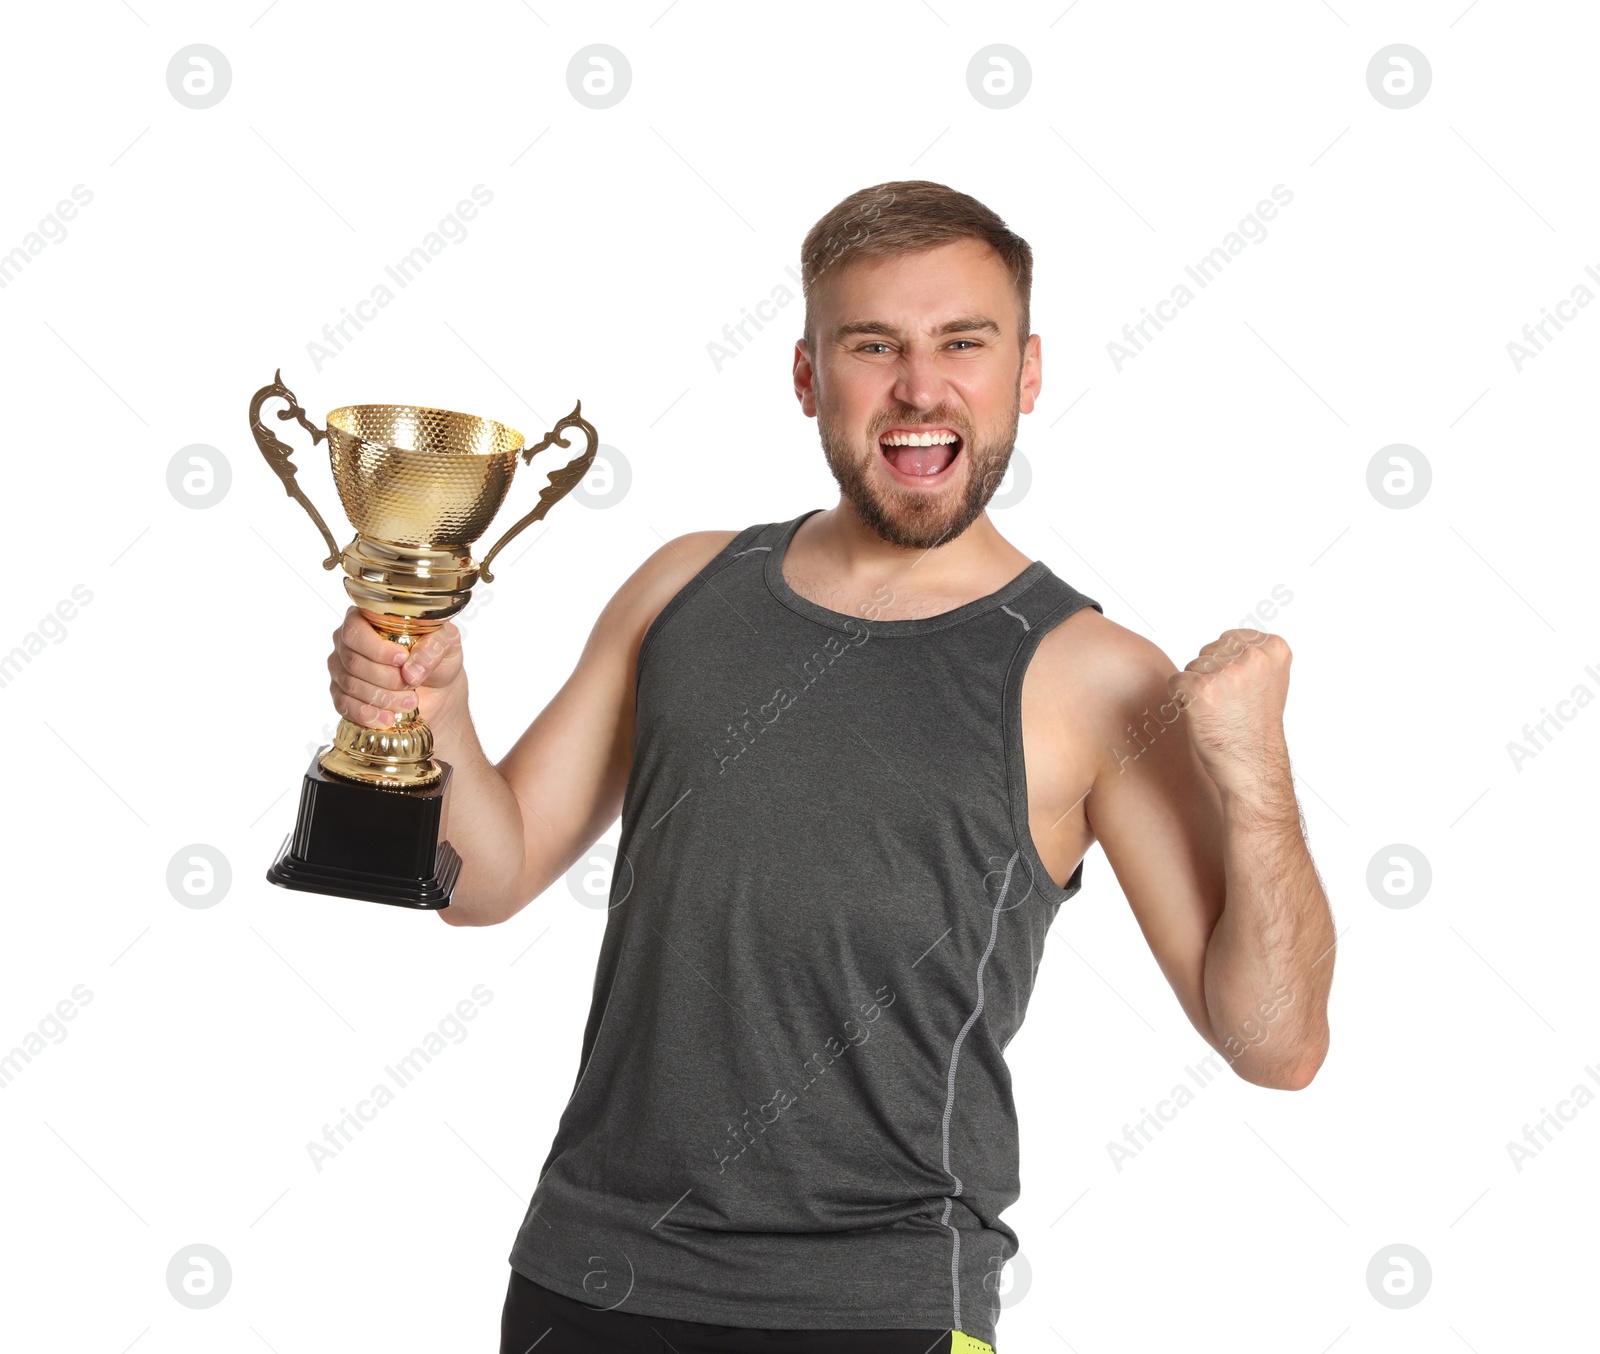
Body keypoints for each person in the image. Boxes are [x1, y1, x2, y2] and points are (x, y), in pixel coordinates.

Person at [326, 180, 1336, 1353]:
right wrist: (436, 705)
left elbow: (1277, 1042)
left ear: (1027, 372)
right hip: (586, 1283)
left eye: (965, 341)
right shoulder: (682, 587)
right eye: (873, 345)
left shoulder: (1096, 675)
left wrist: (1255, 767)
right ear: (808, 376)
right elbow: (481, 881)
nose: (920, 385)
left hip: (878, 1313)